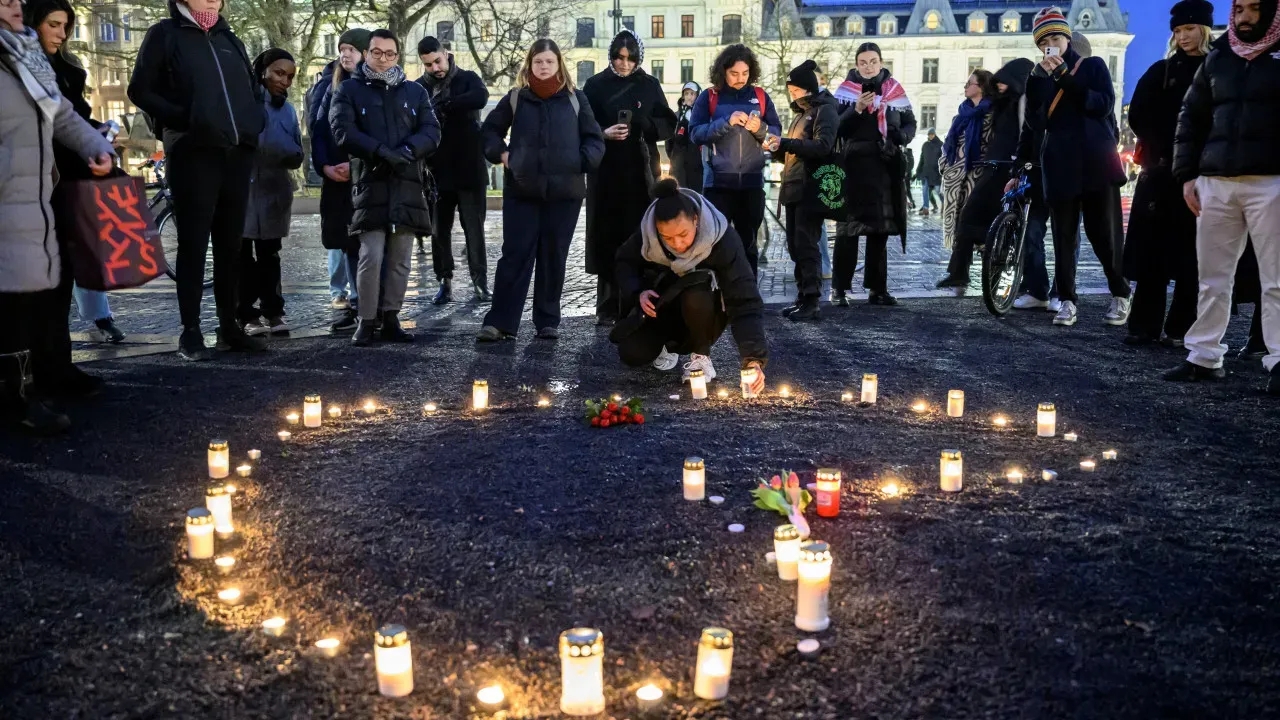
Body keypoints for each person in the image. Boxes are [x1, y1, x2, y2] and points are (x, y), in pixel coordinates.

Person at [128, 0, 267, 360]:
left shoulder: (230, 38)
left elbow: (252, 90)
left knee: (231, 246)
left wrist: (254, 122)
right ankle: (190, 332)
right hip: (193, 154)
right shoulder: (165, 34)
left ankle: (229, 327)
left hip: (237, 153)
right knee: (193, 245)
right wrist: (185, 119)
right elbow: (140, 89)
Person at [1, 0, 114, 432]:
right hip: (10, 196)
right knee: (11, 298)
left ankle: (24, 392)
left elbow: (62, 114)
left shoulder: (27, 55)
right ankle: (17, 399)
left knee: (27, 295)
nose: (15, 6)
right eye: (5, 0)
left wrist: (96, 147)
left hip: (33, 199)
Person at [1164, 0, 1280, 395]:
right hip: (1216, 179)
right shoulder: (1220, 55)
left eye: (1254, 8)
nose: (1244, 17)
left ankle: (1278, 358)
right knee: (1212, 276)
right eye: (1239, 8)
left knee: (1275, 278)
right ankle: (1204, 355)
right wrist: (1186, 175)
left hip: (1271, 179)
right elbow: (1191, 116)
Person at [476, 39, 605, 342]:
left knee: (553, 255)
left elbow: (594, 139)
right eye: (538, 62)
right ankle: (500, 322)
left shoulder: (576, 99)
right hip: (522, 190)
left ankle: (547, 320)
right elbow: (489, 131)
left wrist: (581, 161)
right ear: (530, 64)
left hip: (565, 194)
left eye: (549, 61)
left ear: (559, 64)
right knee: (515, 255)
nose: (543, 67)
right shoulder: (516, 98)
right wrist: (502, 154)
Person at [1013, 7, 1131, 328]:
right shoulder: (1039, 77)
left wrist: (1065, 77)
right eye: (1043, 42)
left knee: (1103, 235)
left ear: (1067, 38)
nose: (1050, 45)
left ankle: (1120, 293)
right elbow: (1036, 123)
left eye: (1055, 37)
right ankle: (1066, 300)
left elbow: (1102, 104)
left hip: (1096, 163)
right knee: (1063, 238)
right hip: (1059, 164)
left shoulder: (1092, 66)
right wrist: (1037, 83)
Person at [330, 28, 439, 346]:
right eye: (377, 52)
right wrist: (379, 151)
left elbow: (432, 130)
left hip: (407, 181)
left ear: (397, 56)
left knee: (401, 257)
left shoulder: (414, 92)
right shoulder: (349, 90)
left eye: (390, 53)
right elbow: (342, 129)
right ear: (367, 54)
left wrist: (406, 151)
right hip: (370, 181)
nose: (383, 59)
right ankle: (366, 320)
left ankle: (391, 317)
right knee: (371, 254)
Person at [613, 177, 768, 388]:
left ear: (696, 219)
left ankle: (701, 356)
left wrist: (753, 359)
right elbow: (625, 262)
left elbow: (744, 297)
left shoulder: (722, 239)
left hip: (705, 307)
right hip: (664, 304)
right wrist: (638, 291)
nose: (677, 244)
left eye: (683, 234)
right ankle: (669, 345)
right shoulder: (647, 235)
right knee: (632, 353)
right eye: (667, 238)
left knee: (696, 288)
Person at [1122, 1, 1214, 347]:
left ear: (1203, 29)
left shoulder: (1216, 69)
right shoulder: (1161, 70)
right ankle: (1144, 325)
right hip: (1160, 171)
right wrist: (1159, 143)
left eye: (1189, 29)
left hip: (1201, 172)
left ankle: (1181, 328)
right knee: (1152, 254)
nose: (1183, 36)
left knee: (1193, 257)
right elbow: (1138, 113)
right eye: (1178, 30)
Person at [583, 29, 676, 326]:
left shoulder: (649, 85)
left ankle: (638, 300)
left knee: (639, 234)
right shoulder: (595, 85)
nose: (624, 64)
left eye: (630, 59)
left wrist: (644, 123)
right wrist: (604, 132)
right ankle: (608, 305)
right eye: (619, 58)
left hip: (641, 171)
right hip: (606, 173)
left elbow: (668, 124)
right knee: (607, 235)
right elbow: (582, 125)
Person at [831, 42, 917, 307]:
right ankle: (839, 288)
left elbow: (910, 123)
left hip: (884, 166)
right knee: (848, 231)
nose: (868, 67)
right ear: (856, 65)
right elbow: (835, 128)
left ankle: (877, 289)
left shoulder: (894, 90)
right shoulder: (845, 92)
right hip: (854, 168)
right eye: (863, 62)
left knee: (880, 231)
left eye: (873, 61)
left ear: (881, 62)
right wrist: (856, 109)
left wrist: (901, 136)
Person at [688, 43, 782, 277]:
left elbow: (775, 135)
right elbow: (695, 133)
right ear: (723, 71)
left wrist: (760, 128)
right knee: (714, 243)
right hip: (718, 184)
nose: (740, 78)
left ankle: (748, 291)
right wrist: (726, 122)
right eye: (734, 73)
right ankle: (716, 291)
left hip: (751, 184)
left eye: (745, 73)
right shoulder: (709, 96)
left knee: (748, 244)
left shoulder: (760, 96)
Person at [942, 59, 1035, 288]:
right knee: (969, 218)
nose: (999, 85)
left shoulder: (1022, 102)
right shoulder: (1001, 104)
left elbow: (1024, 135)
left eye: (1004, 81)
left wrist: (1019, 163)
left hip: (1010, 169)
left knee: (1005, 227)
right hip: (993, 167)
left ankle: (997, 276)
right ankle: (959, 271)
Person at [417, 35, 491, 305]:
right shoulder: (419, 88)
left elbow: (481, 97)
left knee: (474, 230)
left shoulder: (468, 78)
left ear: (445, 53)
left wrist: (447, 103)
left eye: (438, 61)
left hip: (469, 169)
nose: (435, 68)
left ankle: (480, 282)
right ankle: (444, 281)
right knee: (439, 231)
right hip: (437, 172)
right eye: (428, 64)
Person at [239, 49, 302, 337]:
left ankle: (274, 311)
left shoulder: (287, 110)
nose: (284, 81)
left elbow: (297, 151)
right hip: (244, 188)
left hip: (274, 189)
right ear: (263, 71)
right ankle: (246, 313)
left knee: (270, 255)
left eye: (289, 76)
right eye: (279, 73)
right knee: (242, 256)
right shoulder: (244, 103)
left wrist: (289, 152)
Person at [309, 28, 369, 321]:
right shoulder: (328, 88)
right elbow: (318, 129)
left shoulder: (374, 87)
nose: (345, 54)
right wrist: (324, 166)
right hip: (336, 176)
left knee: (364, 240)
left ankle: (367, 301)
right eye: (342, 49)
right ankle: (350, 297)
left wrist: (356, 163)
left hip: (365, 175)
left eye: (351, 50)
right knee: (344, 239)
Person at [771, 59, 838, 321]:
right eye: (791, 90)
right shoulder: (801, 113)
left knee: (807, 245)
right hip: (794, 185)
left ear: (808, 88)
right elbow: (793, 153)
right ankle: (802, 297)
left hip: (810, 188)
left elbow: (823, 146)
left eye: (795, 90)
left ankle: (812, 300)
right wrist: (777, 148)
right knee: (796, 246)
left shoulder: (824, 111)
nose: (792, 94)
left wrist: (786, 143)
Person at [936, 69, 995, 285]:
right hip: (955, 178)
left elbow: (993, 146)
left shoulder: (992, 115)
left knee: (974, 225)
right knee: (958, 225)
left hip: (978, 177)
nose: (965, 86)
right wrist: (945, 165)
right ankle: (958, 273)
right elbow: (949, 143)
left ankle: (982, 274)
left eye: (970, 83)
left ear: (982, 87)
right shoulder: (962, 113)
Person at [667, 81, 704, 192]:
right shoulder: (676, 116)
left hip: (697, 165)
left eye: (692, 94)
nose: (689, 97)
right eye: (686, 93)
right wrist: (674, 157)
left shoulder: (703, 116)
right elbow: (669, 141)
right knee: (679, 194)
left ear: (698, 95)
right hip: (678, 166)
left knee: (695, 194)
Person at [916, 129, 943, 214]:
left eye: (932, 134)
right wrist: (918, 170)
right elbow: (922, 159)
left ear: (935, 134)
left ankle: (945, 204)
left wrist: (942, 172)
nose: (930, 136)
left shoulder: (941, 145)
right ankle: (925, 208)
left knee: (938, 191)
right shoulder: (925, 145)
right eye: (929, 134)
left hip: (936, 172)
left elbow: (943, 160)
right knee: (925, 190)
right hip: (926, 172)